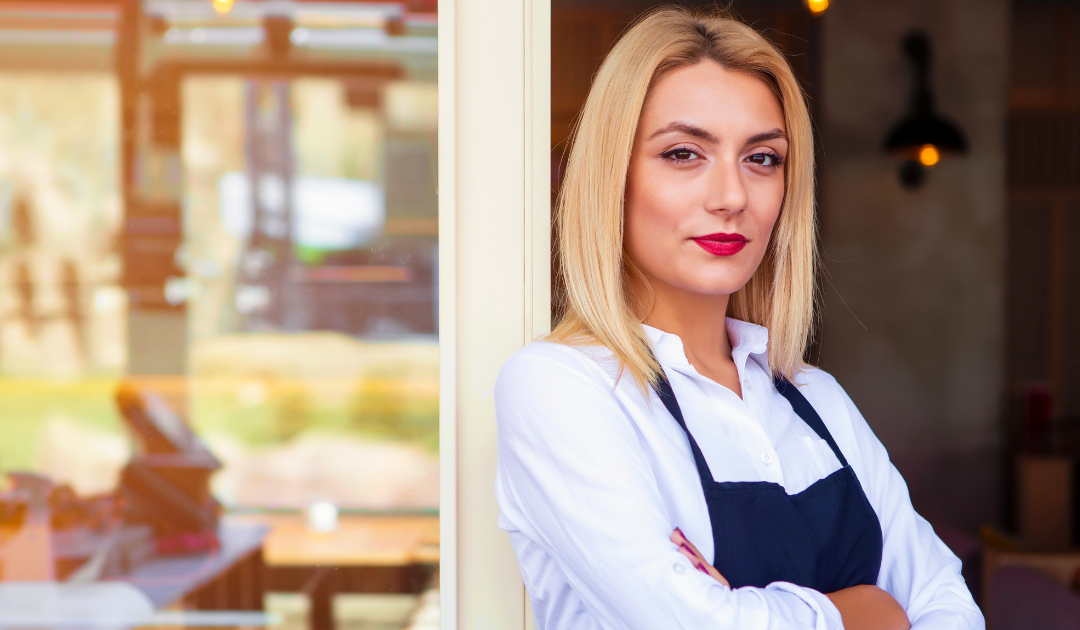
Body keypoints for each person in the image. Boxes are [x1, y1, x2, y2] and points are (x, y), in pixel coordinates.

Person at [494, 7, 984, 630]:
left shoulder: (815, 397)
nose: (731, 196)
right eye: (682, 153)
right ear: (612, 176)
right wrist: (870, 611)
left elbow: (951, 608)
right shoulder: (560, 388)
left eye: (762, 159)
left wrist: (750, 608)